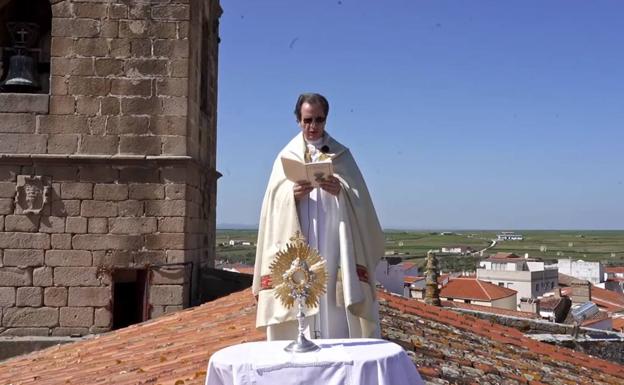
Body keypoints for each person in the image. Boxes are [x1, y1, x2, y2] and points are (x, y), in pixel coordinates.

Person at [253, 93, 385, 341]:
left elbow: (361, 200)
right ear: (298, 120)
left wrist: (341, 192)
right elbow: (271, 206)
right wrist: (291, 195)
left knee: (332, 298)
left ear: (326, 120)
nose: (312, 127)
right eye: (307, 120)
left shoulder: (341, 155)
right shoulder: (286, 156)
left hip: (333, 241)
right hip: (299, 240)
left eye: (319, 120)